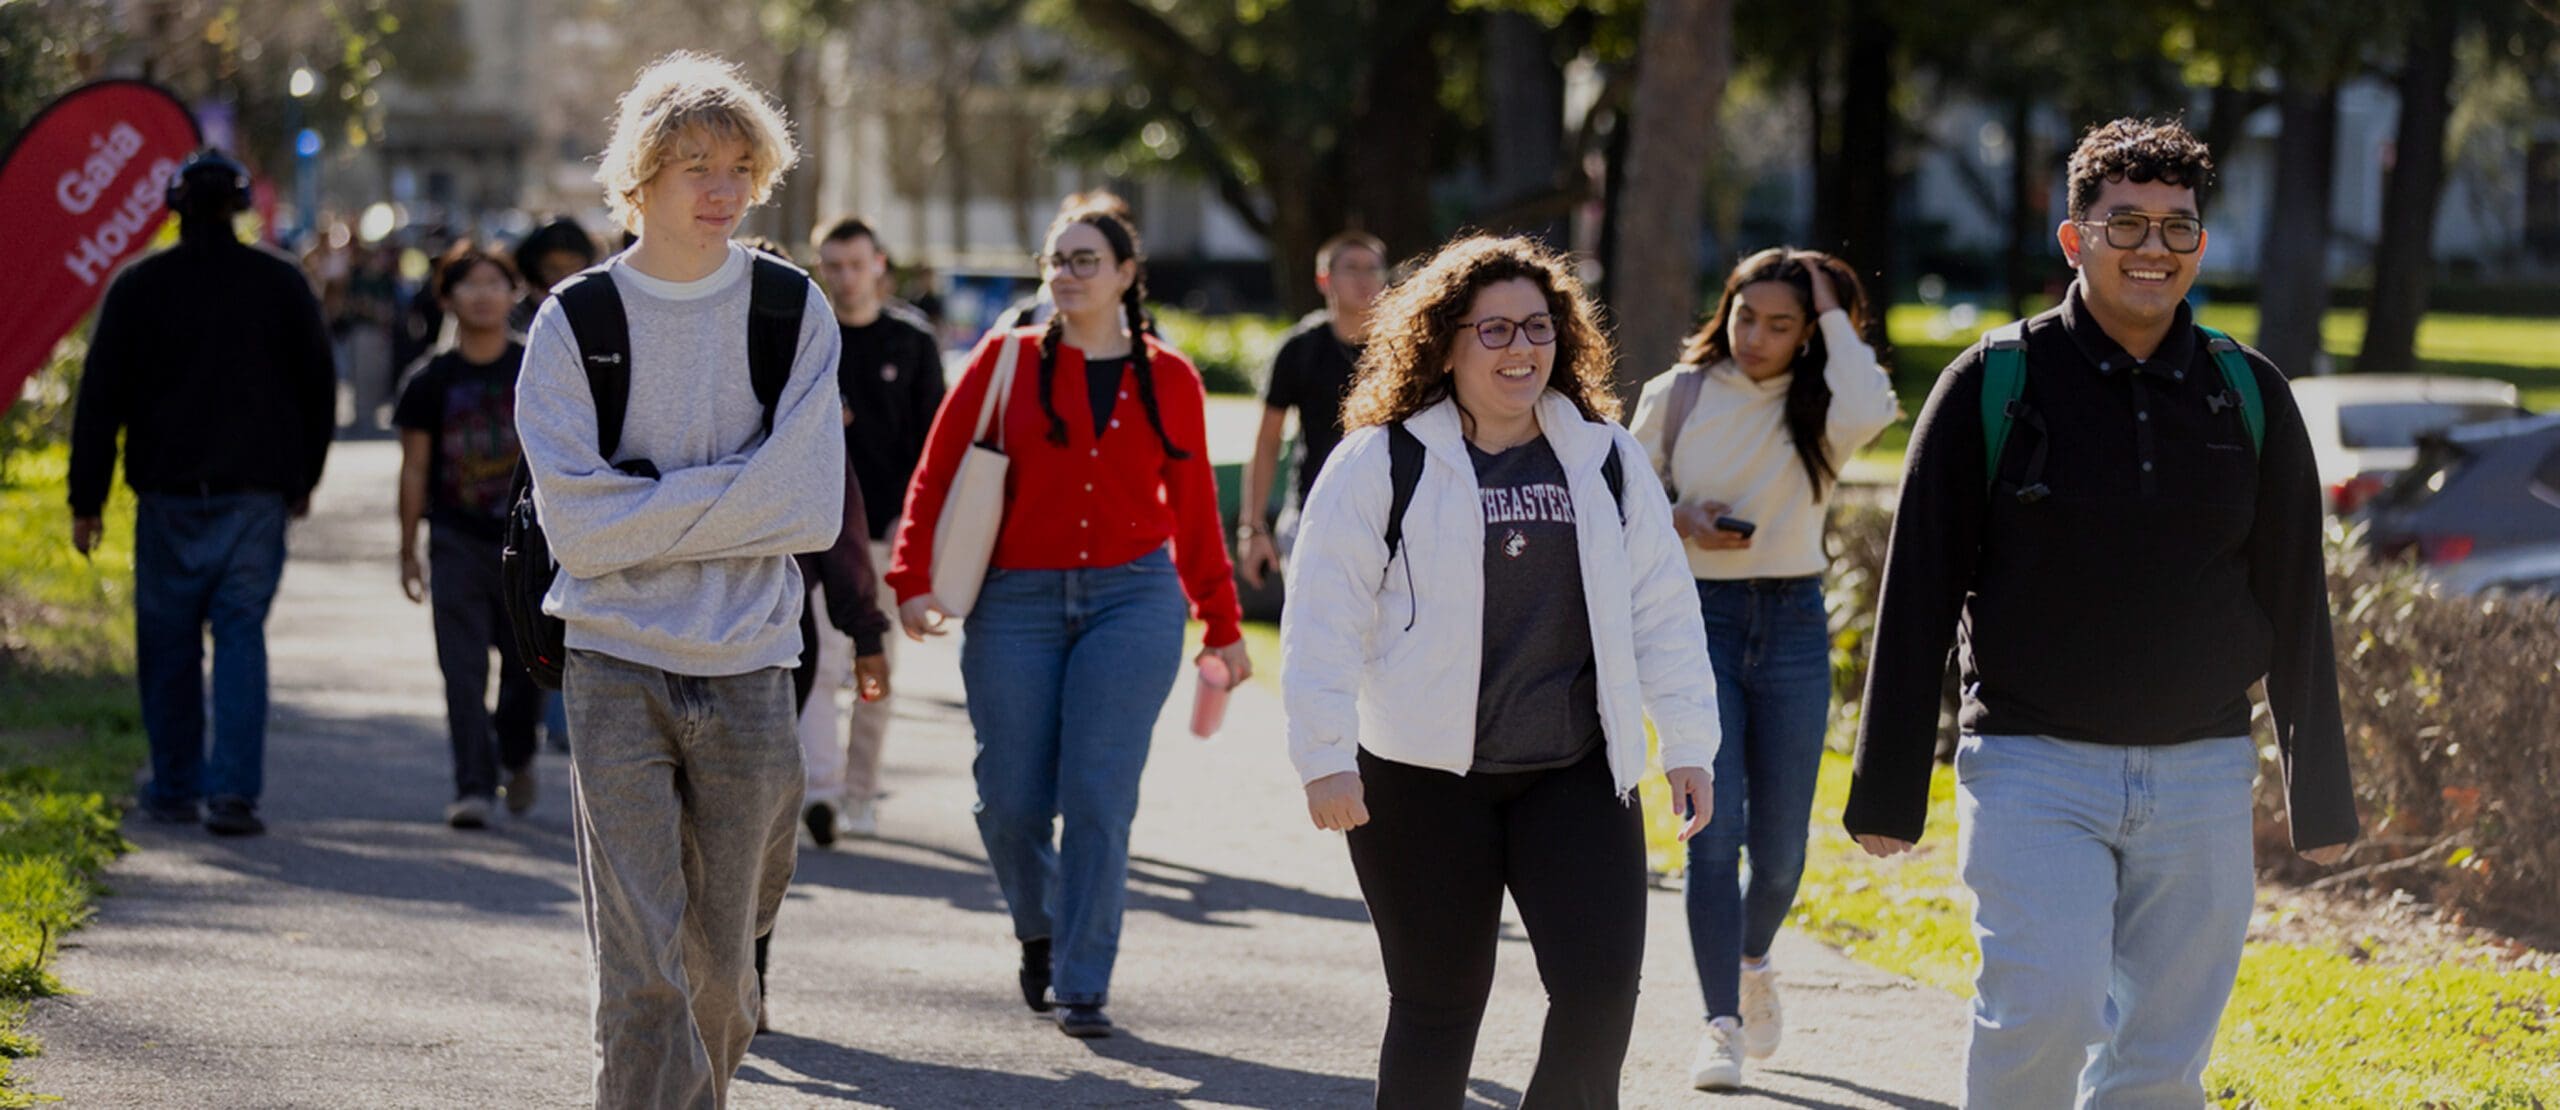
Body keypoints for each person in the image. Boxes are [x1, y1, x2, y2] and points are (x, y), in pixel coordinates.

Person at [1846, 117, 2358, 1107]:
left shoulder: (2248, 394)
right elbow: (1917, 591)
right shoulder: (1991, 384)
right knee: (2048, 1008)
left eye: (2176, 227)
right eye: (2125, 223)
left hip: (2203, 775)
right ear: (2073, 237)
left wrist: (2318, 794)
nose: (2152, 249)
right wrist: (1887, 786)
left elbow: (2297, 602)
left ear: (2201, 247)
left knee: (2162, 1060)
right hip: (2034, 769)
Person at [1280, 233, 1721, 1107]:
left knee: (1599, 998)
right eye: (1494, 331)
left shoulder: (1605, 457)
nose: (1522, 349)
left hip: (1575, 772)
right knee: (1439, 1007)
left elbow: (1662, 609)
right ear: (1443, 340)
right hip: (1421, 781)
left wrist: (1689, 744)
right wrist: (1326, 756)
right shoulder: (1382, 460)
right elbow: (1322, 617)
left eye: (1538, 326)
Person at [512, 53, 844, 1106]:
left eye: (740, 166)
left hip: (752, 665)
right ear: (639, 178)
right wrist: (728, 497)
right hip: (613, 666)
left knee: (724, 982)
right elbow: (578, 530)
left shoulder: (791, 313)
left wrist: (644, 503)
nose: (721, 188)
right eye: (694, 163)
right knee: (642, 965)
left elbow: (808, 507)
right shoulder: (575, 324)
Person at [889, 201, 1249, 1039]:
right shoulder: (1004, 360)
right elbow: (935, 475)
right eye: (1057, 260)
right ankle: (1041, 926)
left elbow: (1196, 515)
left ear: (1127, 274)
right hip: (1015, 601)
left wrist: (1223, 624)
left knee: (1097, 794)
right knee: (1009, 800)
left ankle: (1083, 981)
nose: (1066, 274)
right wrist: (909, 577)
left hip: (1133, 601)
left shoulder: (1170, 377)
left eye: (1086, 260)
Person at [1625, 247, 1899, 1090]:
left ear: (1809, 332)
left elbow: (1877, 402)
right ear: (1726, 308)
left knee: (1781, 856)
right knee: (1715, 836)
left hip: (1791, 621)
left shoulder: (1821, 406)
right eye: (1747, 316)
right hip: (1695, 622)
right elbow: (1623, 502)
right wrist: (1681, 517)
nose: (1757, 337)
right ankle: (1719, 1026)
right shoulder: (1678, 395)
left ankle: (1751, 958)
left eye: (1782, 324)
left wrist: (1827, 307)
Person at [68, 148, 337, 838]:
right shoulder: (280, 283)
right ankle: (234, 796)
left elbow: (100, 400)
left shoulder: (138, 286)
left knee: (168, 643)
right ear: (241, 205)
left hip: (167, 495)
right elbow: (316, 388)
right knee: (241, 635)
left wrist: (86, 499)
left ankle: (174, 787)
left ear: (175, 207)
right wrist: (304, 477)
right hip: (255, 495)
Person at [391, 241, 542, 830]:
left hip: (529, 546)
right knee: (461, 670)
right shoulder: (430, 380)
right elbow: (415, 469)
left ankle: (517, 753)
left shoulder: (538, 366)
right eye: (469, 284)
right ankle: (473, 786)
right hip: (455, 540)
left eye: (495, 283)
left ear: (514, 293)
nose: (483, 295)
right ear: (448, 297)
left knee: (528, 667)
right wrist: (407, 549)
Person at [807, 215, 947, 842]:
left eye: (856, 264)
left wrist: (914, 523)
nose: (845, 278)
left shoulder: (911, 343)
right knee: (817, 662)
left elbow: (935, 446)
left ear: (880, 265)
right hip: (816, 531)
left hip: (887, 531)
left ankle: (859, 792)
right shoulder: (811, 337)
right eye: (833, 266)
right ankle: (820, 788)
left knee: (873, 665)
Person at [1236, 230, 1388, 588]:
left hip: (1389, 515)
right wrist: (1253, 528)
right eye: (1351, 268)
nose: (1364, 279)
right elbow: (1267, 440)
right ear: (1325, 279)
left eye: (1374, 269)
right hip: (1314, 513)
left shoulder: (1404, 348)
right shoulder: (1300, 349)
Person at [511, 216, 603, 334]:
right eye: (553, 268)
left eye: (572, 266)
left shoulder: (599, 308)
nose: (564, 275)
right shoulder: (516, 315)